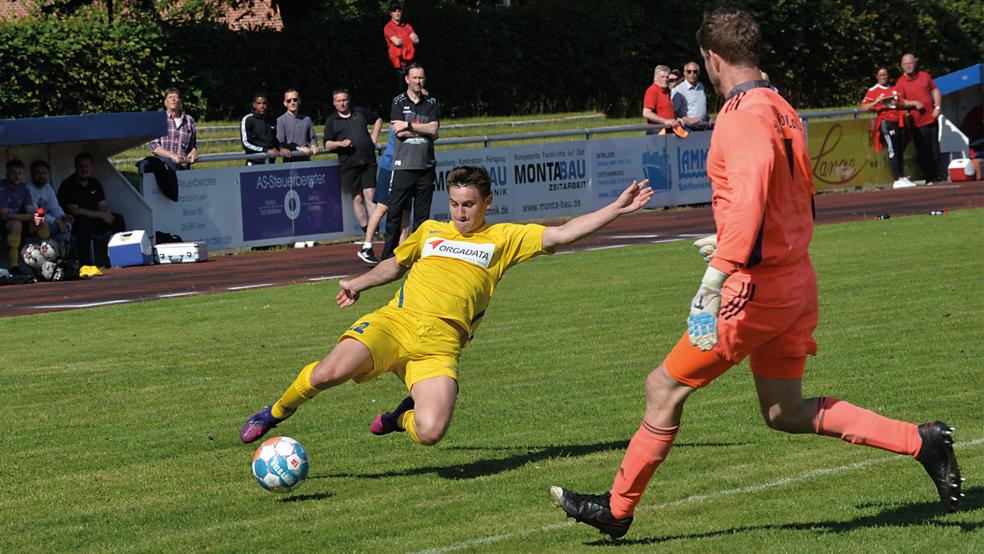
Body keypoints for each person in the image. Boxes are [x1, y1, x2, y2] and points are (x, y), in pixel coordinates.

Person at [549, 8, 962, 539]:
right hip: (793, 280)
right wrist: (737, 244)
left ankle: (617, 509)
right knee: (783, 411)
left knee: (662, 388)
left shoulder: (740, 116)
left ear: (713, 58)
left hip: (753, 290)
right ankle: (920, 439)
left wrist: (717, 275)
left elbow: (749, 197)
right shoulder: (783, 107)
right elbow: (791, 200)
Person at [239, 166, 654, 448]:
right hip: (395, 323)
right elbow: (393, 265)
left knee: (431, 432)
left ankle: (401, 416)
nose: (460, 212)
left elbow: (563, 234)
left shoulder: (504, 238)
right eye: (455, 204)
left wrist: (616, 209)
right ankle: (275, 412)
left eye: (469, 204)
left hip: (441, 346)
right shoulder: (429, 231)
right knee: (330, 372)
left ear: (487, 202)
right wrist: (357, 283)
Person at [381, 64, 439, 260]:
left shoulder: (431, 102)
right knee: (395, 213)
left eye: (421, 78)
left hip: (426, 167)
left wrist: (409, 125)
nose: (418, 81)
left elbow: (434, 130)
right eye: (414, 78)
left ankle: (419, 255)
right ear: (407, 79)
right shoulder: (398, 102)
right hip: (403, 166)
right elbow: (399, 131)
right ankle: (388, 255)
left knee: (422, 218)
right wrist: (422, 128)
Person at [323, 89, 382, 239]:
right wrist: (340, 143)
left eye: (344, 100)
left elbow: (378, 119)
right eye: (339, 101)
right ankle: (366, 230)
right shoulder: (332, 120)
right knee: (357, 198)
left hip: (368, 160)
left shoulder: (359, 112)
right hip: (349, 164)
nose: (342, 103)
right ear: (334, 103)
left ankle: (375, 230)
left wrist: (373, 137)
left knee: (370, 195)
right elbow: (327, 144)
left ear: (349, 100)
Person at [57, 153, 126, 266]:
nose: (84, 169)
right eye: (81, 166)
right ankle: (85, 262)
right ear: (76, 167)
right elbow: (74, 210)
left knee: (118, 218)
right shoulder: (68, 185)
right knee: (83, 221)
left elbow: (102, 204)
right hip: (74, 222)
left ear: (91, 167)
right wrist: (101, 215)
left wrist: (106, 214)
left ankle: (121, 256)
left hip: (95, 219)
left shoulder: (95, 183)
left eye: (87, 166)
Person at [355, 130, 410, 265]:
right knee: (382, 207)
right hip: (392, 167)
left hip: (408, 167)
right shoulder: (399, 117)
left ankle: (403, 253)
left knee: (406, 211)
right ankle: (367, 247)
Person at [860, 67, 920, 189]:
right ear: (877, 77)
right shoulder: (873, 90)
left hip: (899, 120)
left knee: (900, 147)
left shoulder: (894, 88)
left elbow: (902, 102)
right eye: (880, 75)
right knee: (893, 148)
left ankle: (902, 176)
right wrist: (877, 101)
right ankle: (897, 178)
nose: (883, 77)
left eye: (885, 75)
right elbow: (863, 107)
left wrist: (911, 103)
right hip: (886, 121)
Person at [896, 54, 944, 183]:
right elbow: (899, 102)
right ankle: (929, 177)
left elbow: (935, 91)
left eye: (910, 63)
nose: (908, 66)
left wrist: (937, 108)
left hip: (931, 118)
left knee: (935, 148)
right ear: (902, 66)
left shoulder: (925, 76)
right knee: (923, 150)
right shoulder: (900, 82)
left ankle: (939, 175)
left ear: (915, 63)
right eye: (905, 64)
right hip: (917, 122)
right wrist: (914, 103)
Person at [0, 159, 42, 273]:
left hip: (17, 220)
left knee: (41, 220)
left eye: (20, 173)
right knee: (16, 224)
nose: (17, 176)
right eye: (13, 173)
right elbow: (4, 215)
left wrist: (37, 216)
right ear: (7, 173)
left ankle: (41, 264)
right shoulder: (2, 188)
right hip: (3, 225)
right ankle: (14, 266)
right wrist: (28, 217)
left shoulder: (23, 189)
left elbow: (31, 211)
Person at [147, 87, 199, 170]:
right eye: (170, 97)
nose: (173, 99)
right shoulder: (158, 120)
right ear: (165, 102)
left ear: (181, 101)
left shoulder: (189, 120)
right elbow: (154, 147)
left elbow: (192, 145)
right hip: (163, 168)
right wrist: (172, 155)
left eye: (176, 97)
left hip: (183, 167)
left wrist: (194, 151)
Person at [26, 160, 73, 242]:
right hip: (32, 222)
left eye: (44, 173)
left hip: (47, 220)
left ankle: (61, 250)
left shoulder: (48, 188)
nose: (42, 176)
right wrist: (55, 220)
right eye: (38, 173)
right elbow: (35, 213)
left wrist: (62, 216)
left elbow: (54, 207)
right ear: (32, 174)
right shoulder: (27, 188)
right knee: (52, 226)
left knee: (67, 223)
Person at [241, 92, 288, 165]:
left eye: (264, 103)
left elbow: (274, 139)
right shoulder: (248, 119)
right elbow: (245, 144)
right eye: (259, 103)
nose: (262, 106)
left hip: (270, 162)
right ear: (254, 105)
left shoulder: (272, 118)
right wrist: (265, 150)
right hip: (254, 162)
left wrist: (280, 148)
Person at [383, 2, 420, 94]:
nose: (397, 13)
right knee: (398, 90)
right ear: (390, 13)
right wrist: (408, 37)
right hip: (397, 64)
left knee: (413, 88)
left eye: (399, 11)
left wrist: (402, 38)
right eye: (394, 11)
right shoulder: (388, 27)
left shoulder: (407, 26)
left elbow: (416, 40)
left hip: (410, 62)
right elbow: (396, 42)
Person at [276, 89, 319, 162]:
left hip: (306, 159)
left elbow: (312, 138)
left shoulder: (307, 119)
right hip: (289, 160)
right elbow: (281, 142)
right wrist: (298, 148)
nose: (292, 102)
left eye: (295, 100)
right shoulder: (280, 120)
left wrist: (313, 145)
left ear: (299, 101)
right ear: (285, 103)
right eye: (289, 101)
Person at [642, 65, 684, 134]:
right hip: (657, 132)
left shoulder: (667, 91)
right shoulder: (652, 91)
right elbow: (646, 113)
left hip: (669, 131)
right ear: (655, 78)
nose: (665, 79)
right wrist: (665, 121)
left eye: (667, 77)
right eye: (662, 77)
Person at [672, 61, 709, 127]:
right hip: (688, 129)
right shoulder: (678, 90)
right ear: (684, 73)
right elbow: (673, 113)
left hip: (703, 127)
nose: (692, 74)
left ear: (698, 73)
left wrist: (708, 118)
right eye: (689, 71)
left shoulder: (701, 86)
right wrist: (688, 120)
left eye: (695, 71)